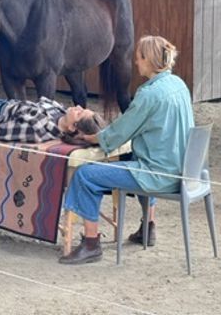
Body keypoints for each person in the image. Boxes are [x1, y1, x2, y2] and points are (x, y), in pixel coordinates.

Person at [59, 35, 194, 265]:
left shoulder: (149, 94)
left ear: (149, 60)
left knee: (85, 175)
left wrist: (90, 138)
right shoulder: (178, 85)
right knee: (132, 154)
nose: (136, 62)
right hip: (181, 169)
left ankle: (91, 244)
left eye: (139, 58)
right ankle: (148, 226)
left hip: (158, 174)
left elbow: (121, 132)